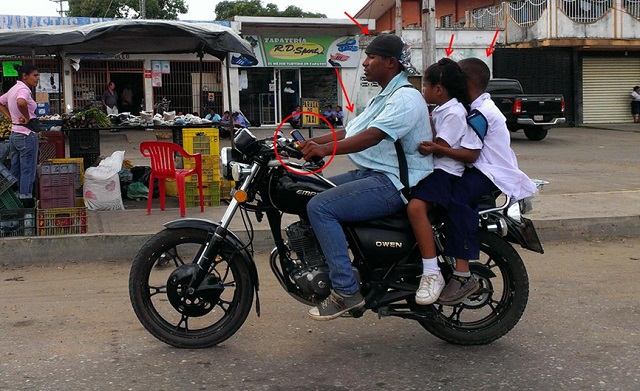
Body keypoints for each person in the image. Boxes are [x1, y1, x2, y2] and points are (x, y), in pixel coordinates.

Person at [299, 34, 433, 320]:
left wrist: (325, 149)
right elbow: (352, 131)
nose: (366, 63)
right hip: (372, 173)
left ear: (391, 63)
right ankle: (336, 263)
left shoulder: (406, 98)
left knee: (320, 206)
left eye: (372, 57)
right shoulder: (383, 97)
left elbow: (373, 137)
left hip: (393, 183)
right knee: (307, 189)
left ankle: (346, 292)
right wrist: (305, 143)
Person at [437, 58, 536, 305]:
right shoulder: (477, 107)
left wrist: (434, 148)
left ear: (466, 82)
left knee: (457, 200)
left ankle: (462, 274)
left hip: (489, 172)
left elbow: (471, 153)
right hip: (483, 168)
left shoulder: (481, 113)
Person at [407, 58, 483, 305]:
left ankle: (432, 272)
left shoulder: (453, 112)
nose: (423, 91)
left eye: (426, 86)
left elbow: (440, 149)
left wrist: (424, 141)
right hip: (434, 170)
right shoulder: (442, 109)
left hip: (445, 174)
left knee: (416, 207)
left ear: (439, 89)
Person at [0, 64, 40, 200]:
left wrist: (11, 117)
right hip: (26, 135)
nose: (37, 78)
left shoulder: (13, 89)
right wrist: (27, 117)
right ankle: (25, 199)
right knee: (27, 170)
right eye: (35, 75)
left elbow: (0, 102)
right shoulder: (23, 89)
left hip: (14, 134)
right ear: (25, 76)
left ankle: (13, 199)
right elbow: (21, 102)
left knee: (15, 170)